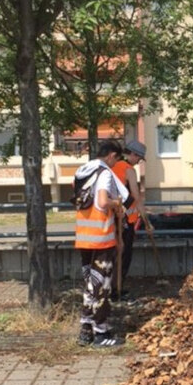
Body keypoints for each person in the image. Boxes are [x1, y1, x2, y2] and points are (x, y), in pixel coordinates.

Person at [75, 140, 134, 347]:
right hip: (101, 237)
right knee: (102, 285)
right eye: (116, 158)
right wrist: (116, 203)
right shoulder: (105, 173)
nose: (116, 162)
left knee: (90, 284)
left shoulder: (83, 171)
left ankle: (85, 329)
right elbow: (101, 202)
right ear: (111, 155)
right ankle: (101, 332)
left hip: (84, 236)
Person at [111, 139, 147, 298]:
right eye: (138, 158)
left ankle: (112, 288)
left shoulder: (112, 166)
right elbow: (136, 196)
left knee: (113, 254)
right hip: (125, 219)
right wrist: (145, 218)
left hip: (111, 216)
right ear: (132, 154)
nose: (139, 162)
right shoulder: (128, 170)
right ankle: (116, 290)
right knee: (124, 255)